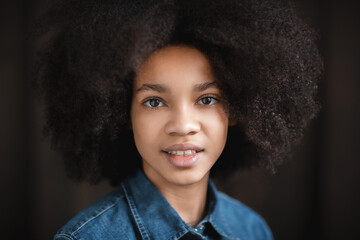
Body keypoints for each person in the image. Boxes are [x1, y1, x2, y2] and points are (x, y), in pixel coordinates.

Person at [32, 0, 323, 239]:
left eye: (207, 99)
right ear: (122, 114)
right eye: (154, 102)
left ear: (237, 109)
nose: (183, 126)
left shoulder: (252, 230)